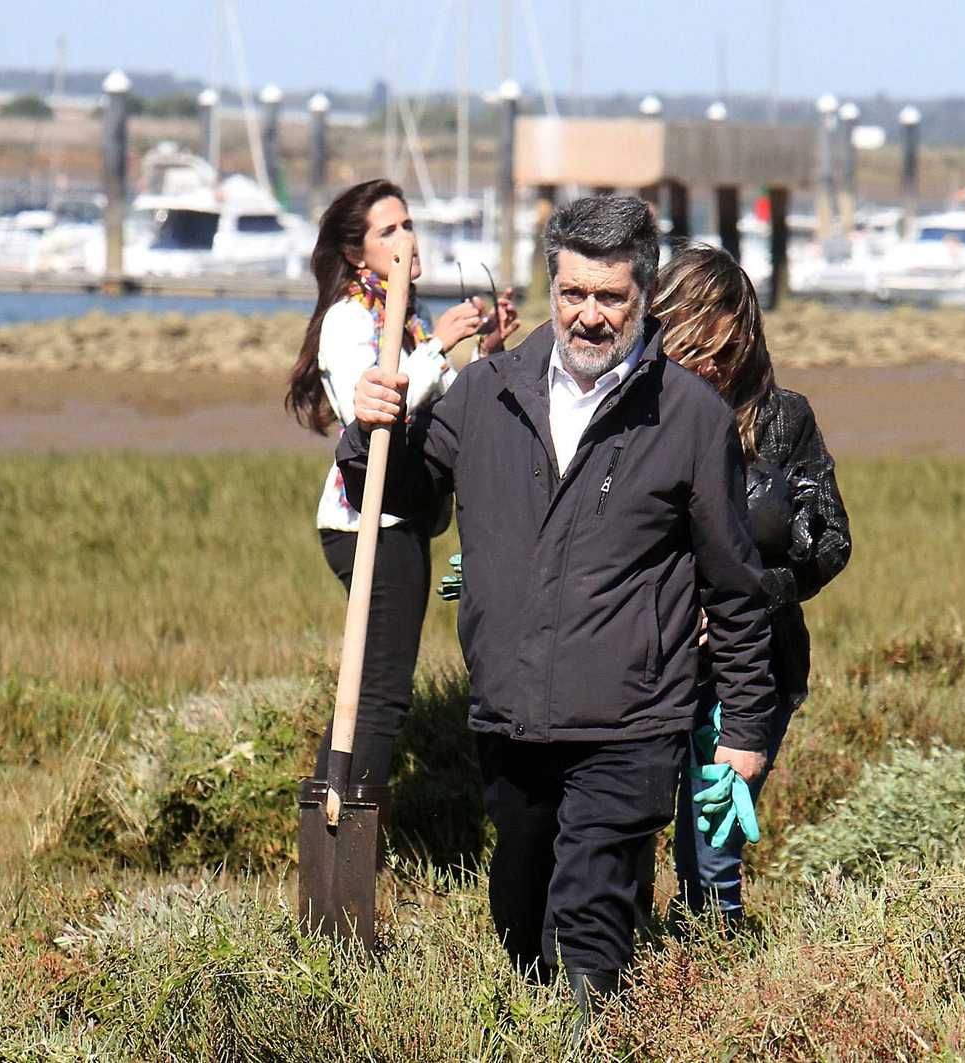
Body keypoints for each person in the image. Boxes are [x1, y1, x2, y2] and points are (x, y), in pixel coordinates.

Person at [341, 194, 775, 1017]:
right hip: (509, 718)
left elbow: (735, 584)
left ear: (642, 296)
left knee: (587, 932)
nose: (589, 316)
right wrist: (370, 431)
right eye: (573, 293)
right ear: (551, 287)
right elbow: (401, 494)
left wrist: (747, 731)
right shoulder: (485, 394)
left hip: (630, 724)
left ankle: (592, 1030)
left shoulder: (688, 415)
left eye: (610, 297)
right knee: (520, 922)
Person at [286, 178, 519, 786]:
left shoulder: (401, 314)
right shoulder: (349, 319)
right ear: (357, 255)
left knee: (376, 690)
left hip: (403, 516)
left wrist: (483, 349)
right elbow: (379, 406)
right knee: (381, 696)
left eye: (408, 223)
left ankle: (349, 824)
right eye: (388, 230)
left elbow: (440, 410)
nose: (406, 238)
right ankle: (343, 830)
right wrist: (440, 344)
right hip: (367, 522)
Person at [652, 243, 852, 926]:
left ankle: (712, 974)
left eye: (726, 347)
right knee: (622, 831)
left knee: (711, 845)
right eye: (692, 346)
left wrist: (752, 596)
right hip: (648, 661)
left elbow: (830, 543)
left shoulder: (783, 419)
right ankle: (634, 968)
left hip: (755, 667)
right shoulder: (633, 416)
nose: (711, 364)